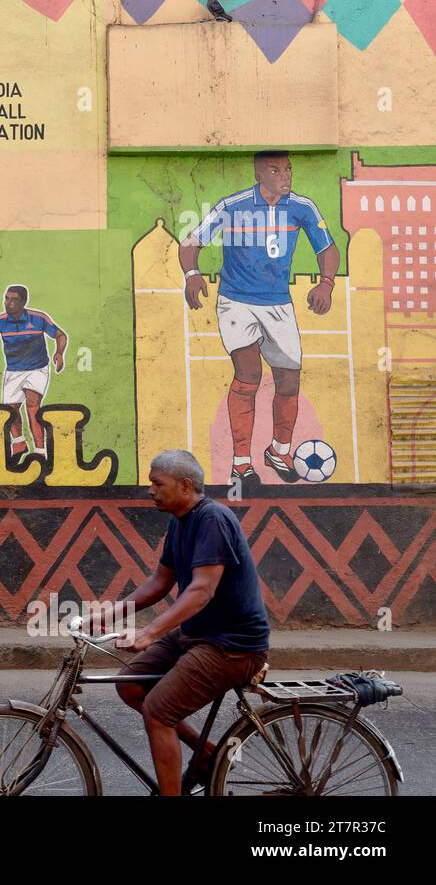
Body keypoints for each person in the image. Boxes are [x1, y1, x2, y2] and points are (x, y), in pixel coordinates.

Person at [93, 449, 271, 797]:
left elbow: (202, 590)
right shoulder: (180, 523)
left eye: (157, 483)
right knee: (130, 684)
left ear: (185, 485)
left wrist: (149, 632)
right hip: (198, 634)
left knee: (159, 712)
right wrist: (111, 613)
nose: (150, 491)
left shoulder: (213, 519)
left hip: (232, 645)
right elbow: (160, 581)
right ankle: (207, 751)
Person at [180, 150, 339, 488]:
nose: (285, 175)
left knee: (289, 382)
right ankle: (240, 464)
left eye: (288, 168)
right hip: (236, 303)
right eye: (276, 169)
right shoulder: (232, 206)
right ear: (259, 174)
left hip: (279, 304)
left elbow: (327, 249)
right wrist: (192, 274)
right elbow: (190, 243)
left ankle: (278, 451)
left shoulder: (302, 208)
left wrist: (326, 283)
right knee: (249, 375)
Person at [0, 285, 67, 462]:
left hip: (37, 368)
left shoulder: (38, 318)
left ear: (23, 302)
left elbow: (60, 335)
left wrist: (59, 352)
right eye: (6, 299)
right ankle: (19, 442)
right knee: (10, 410)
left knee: (32, 404)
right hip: (14, 370)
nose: (9, 303)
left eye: (14, 299)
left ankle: (40, 450)